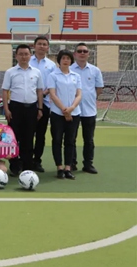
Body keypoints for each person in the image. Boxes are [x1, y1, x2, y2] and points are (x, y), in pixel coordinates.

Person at [2, 44, 44, 175]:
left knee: (29, 137)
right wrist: (6, 109)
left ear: (30, 55)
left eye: (26, 54)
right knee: (13, 138)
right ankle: (14, 165)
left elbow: (39, 91)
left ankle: (27, 165)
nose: (23, 57)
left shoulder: (36, 72)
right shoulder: (10, 72)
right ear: (16, 56)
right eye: (21, 54)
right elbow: (5, 91)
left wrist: (40, 108)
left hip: (31, 108)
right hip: (15, 108)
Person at [48, 50, 83, 180]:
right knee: (57, 140)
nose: (66, 60)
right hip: (57, 113)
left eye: (68, 58)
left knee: (70, 141)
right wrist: (64, 110)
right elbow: (53, 94)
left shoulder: (76, 76)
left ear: (71, 61)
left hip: (74, 113)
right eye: (63, 58)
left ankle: (68, 168)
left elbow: (79, 94)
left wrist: (72, 108)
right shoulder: (53, 75)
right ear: (59, 60)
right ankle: (59, 167)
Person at [71, 43, 103, 174]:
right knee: (71, 139)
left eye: (85, 51)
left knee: (89, 140)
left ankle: (88, 164)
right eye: (79, 51)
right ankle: (71, 163)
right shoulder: (69, 69)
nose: (82, 53)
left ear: (88, 54)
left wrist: (89, 98)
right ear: (75, 54)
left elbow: (99, 89)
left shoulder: (95, 70)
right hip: (73, 110)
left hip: (89, 111)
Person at [29, 36, 57, 173]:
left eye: (44, 44)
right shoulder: (27, 60)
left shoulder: (51, 65)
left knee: (40, 134)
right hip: (28, 102)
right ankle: (26, 160)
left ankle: (37, 160)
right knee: (27, 134)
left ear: (47, 47)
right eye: (39, 44)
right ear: (34, 46)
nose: (41, 46)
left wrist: (43, 94)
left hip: (44, 103)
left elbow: (53, 84)